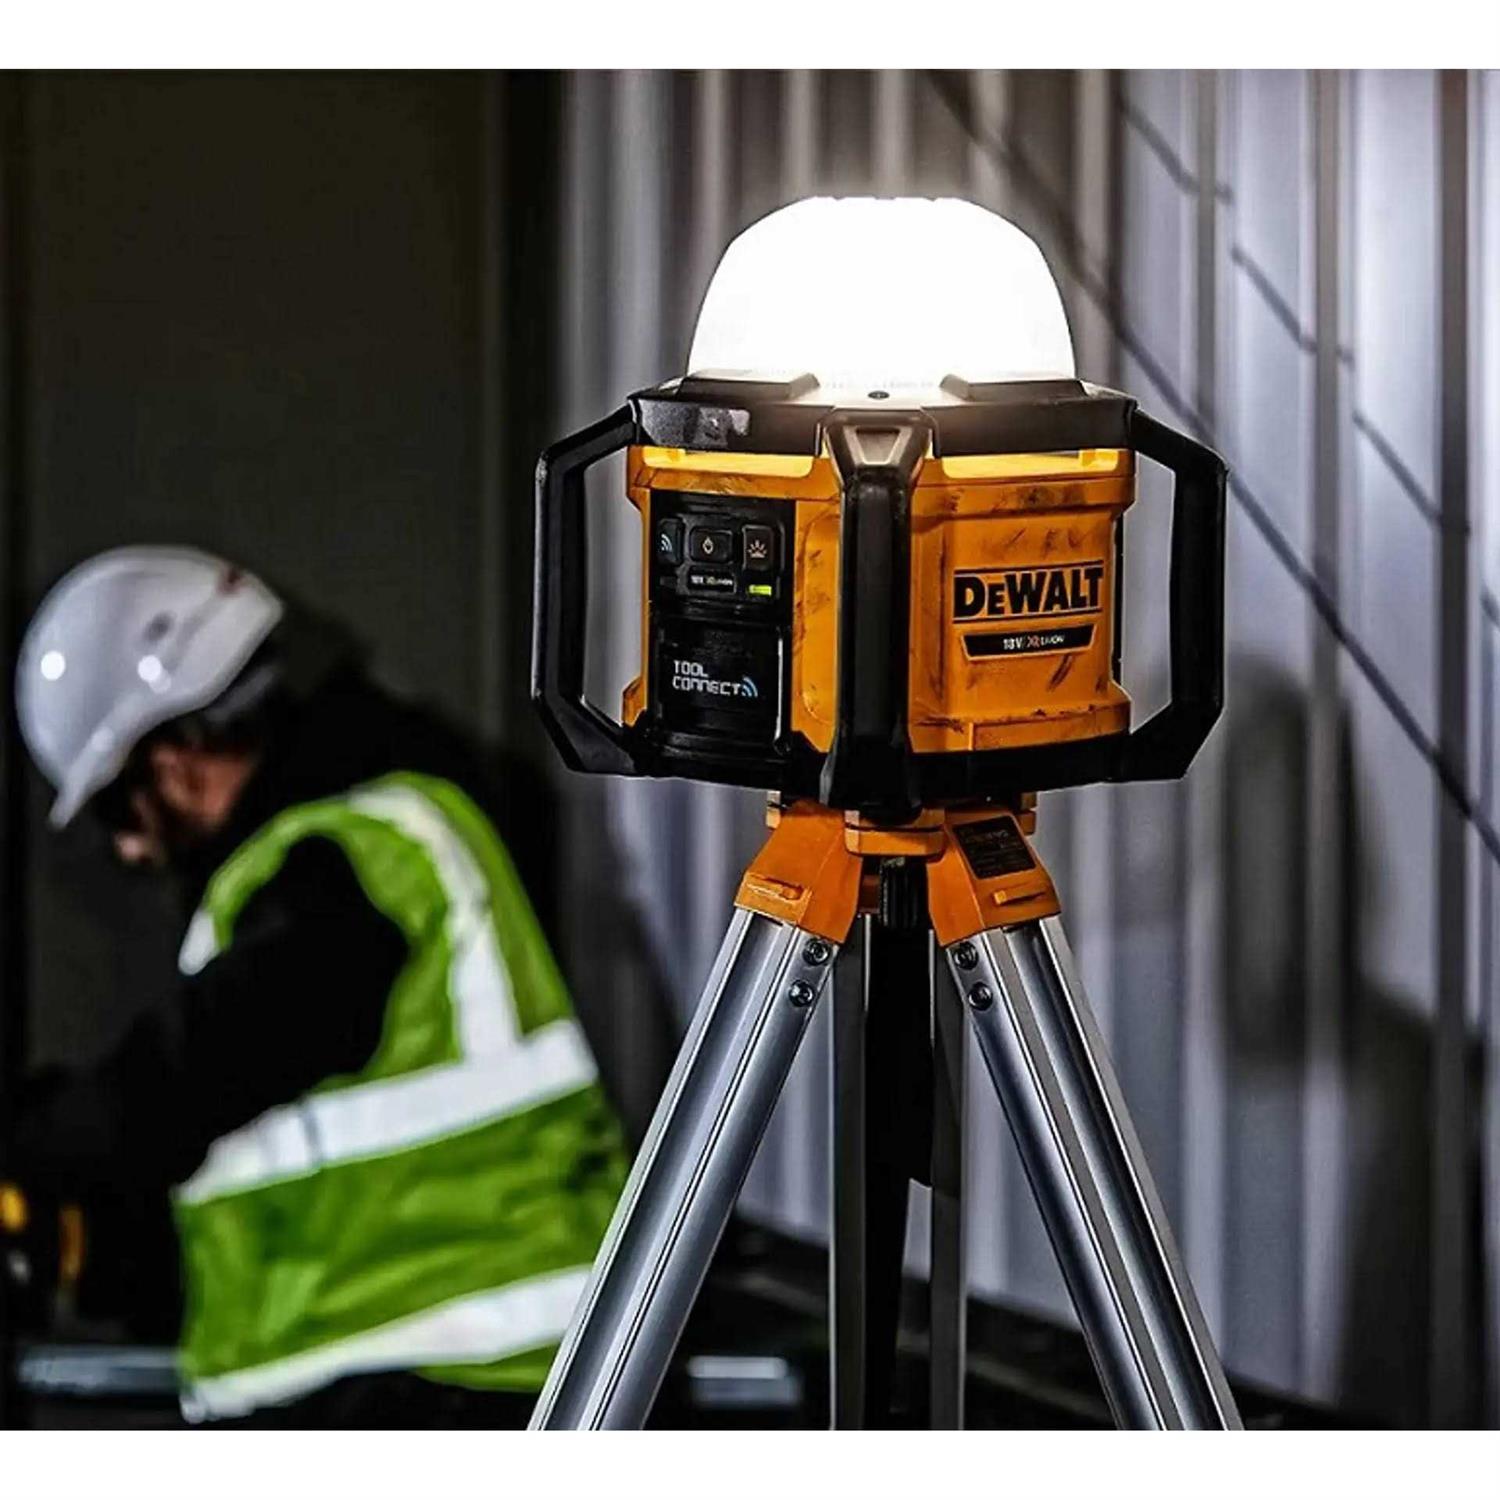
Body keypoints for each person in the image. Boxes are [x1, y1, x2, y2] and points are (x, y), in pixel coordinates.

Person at [7, 545, 627, 1428]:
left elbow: (205, 1063)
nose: (130, 851)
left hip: (438, 1378)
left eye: (116, 809)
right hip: (438, 1369)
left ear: (171, 759)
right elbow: (309, 1168)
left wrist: (37, 1143)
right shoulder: (358, 838)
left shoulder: (346, 862)